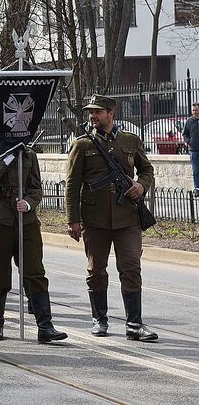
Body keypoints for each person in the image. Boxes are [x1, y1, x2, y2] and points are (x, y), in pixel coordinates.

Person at [65, 94, 157, 341]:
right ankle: (100, 319)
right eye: (90, 112)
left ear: (111, 114)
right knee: (96, 270)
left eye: (98, 112)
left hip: (128, 217)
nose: (93, 116)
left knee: (131, 268)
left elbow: (147, 169)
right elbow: (72, 185)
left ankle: (134, 324)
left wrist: (141, 185)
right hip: (95, 220)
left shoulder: (130, 140)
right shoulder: (82, 144)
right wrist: (73, 219)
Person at [0, 141, 67, 343]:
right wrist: (8, 155)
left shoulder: (28, 153)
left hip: (26, 221)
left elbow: (35, 188)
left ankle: (45, 325)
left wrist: (27, 203)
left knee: (34, 271)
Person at [183, 103, 199, 197]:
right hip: (194, 150)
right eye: (193, 110)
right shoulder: (189, 121)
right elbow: (185, 134)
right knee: (196, 170)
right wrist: (189, 142)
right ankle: (197, 188)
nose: (194, 112)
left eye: (196, 110)